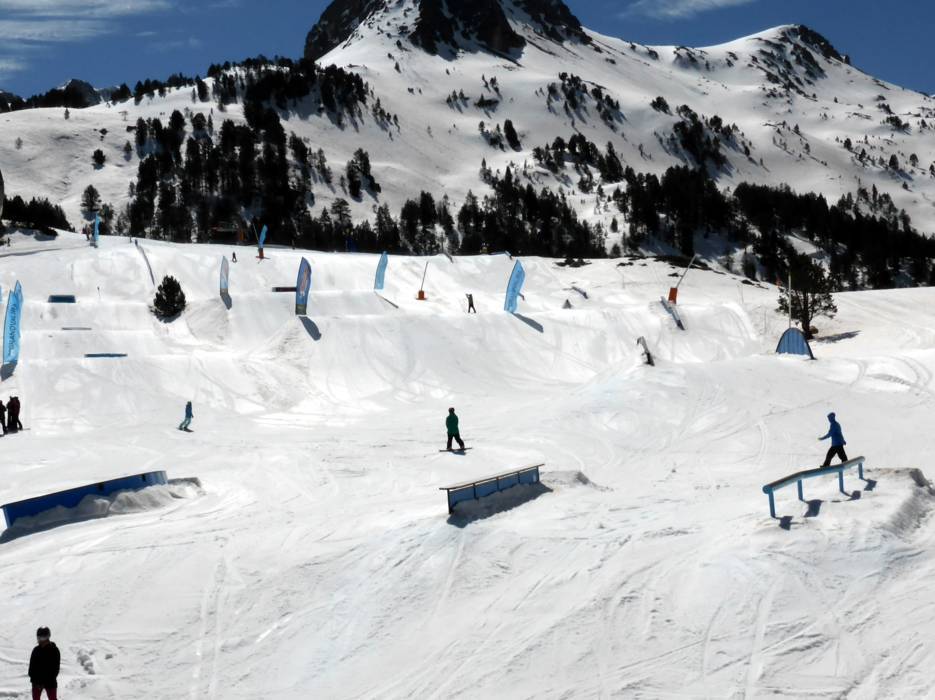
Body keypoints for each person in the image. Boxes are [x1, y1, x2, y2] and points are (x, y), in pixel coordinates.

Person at [28, 626, 60, 700]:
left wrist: (44, 682)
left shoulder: (54, 650)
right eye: (39, 638)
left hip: (50, 681)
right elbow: (31, 668)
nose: (41, 640)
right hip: (36, 682)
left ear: (48, 637)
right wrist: (35, 681)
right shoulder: (36, 650)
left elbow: (55, 669)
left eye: (43, 638)